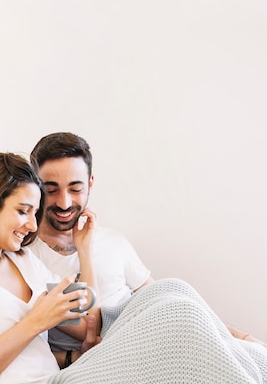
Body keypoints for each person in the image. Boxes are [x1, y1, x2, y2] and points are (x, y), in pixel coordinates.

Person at [0, 152, 267, 384]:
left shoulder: (23, 263)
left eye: (34, 214)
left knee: (171, 292)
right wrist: (34, 322)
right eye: (22, 211)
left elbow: (89, 325)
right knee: (175, 322)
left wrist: (84, 249)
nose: (32, 226)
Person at [29, 131, 266, 357]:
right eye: (51, 190)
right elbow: (90, 328)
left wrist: (240, 337)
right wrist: (84, 250)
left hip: (159, 336)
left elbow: (169, 303)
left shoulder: (113, 242)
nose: (64, 202)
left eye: (75, 189)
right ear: (35, 187)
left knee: (178, 292)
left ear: (90, 184)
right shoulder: (28, 259)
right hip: (118, 353)